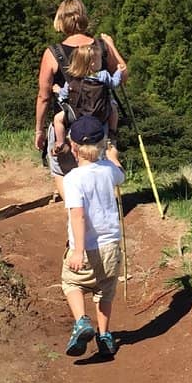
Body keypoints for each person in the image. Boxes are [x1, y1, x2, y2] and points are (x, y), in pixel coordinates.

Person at [35, 0, 127, 201]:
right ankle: (98, 210)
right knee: (96, 169)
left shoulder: (53, 53)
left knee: (61, 170)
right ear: (83, 18)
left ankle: (76, 213)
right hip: (98, 122)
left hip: (69, 120)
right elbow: (122, 76)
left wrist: (40, 130)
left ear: (61, 21)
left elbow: (43, 96)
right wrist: (111, 46)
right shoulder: (101, 46)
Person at [61, 115, 124, 358]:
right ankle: (105, 335)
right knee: (105, 290)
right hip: (111, 245)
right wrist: (114, 157)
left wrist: (77, 250)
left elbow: (78, 215)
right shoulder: (109, 171)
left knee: (72, 282)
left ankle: (81, 322)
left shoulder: (73, 179)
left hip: (86, 245)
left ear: (73, 146)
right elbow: (121, 174)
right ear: (102, 144)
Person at [51, 40, 124, 153]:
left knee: (58, 119)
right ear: (93, 63)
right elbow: (114, 83)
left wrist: (57, 90)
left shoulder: (73, 79)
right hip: (100, 115)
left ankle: (61, 143)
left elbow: (64, 94)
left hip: (78, 115)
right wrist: (119, 71)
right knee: (113, 108)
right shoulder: (103, 75)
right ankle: (112, 134)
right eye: (100, 60)